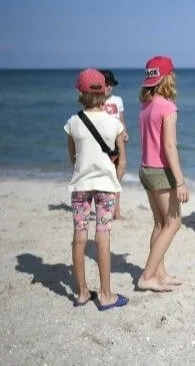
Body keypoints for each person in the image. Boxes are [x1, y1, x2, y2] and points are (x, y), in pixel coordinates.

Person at [64, 68, 128, 310]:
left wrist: (83, 168)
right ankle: (105, 294)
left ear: (79, 93)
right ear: (105, 92)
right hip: (105, 186)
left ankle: (81, 293)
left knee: (79, 235)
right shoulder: (114, 124)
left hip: (81, 185)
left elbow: (73, 155)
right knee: (103, 235)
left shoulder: (73, 122)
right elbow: (121, 160)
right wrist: (116, 181)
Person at [137, 56, 189, 292]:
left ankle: (160, 273)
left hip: (145, 169)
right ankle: (147, 276)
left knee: (159, 224)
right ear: (169, 77)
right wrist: (180, 182)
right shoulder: (168, 107)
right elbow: (169, 146)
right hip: (160, 172)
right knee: (173, 223)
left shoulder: (146, 107)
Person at [100, 69, 127, 220]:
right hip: (102, 144)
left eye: (111, 84)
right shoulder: (96, 101)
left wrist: (125, 132)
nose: (109, 87)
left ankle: (116, 212)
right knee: (105, 177)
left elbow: (121, 120)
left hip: (117, 143)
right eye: (106, 84)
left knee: (117, 177)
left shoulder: (118, 100)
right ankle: (104, 209)